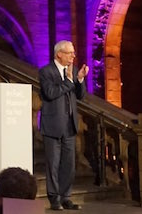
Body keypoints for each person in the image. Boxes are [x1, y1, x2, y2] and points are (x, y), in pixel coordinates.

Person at [39, 40, 88, 210]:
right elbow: (51, 93)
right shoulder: (46, 71)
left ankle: (66, 197)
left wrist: (80, 79)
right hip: (52, 125)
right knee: (53, 164)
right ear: (59, 54)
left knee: (69, 164)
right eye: (70, 53)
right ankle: (54, 199)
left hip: (70, 125)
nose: (73, 56)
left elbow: (80, 96)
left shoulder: (73, 71)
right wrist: (69, 81)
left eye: (74, 53)